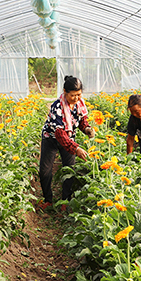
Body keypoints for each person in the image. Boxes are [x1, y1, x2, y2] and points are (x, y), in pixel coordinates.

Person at [38, 76, 95, 207]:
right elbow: (60, 134)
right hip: (51, 138)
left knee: (69, 170)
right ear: (65, 92)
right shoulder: (57, 106)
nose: (76, 98)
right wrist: (76, 148)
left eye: (79, 94)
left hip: (69, 139)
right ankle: (48, 200)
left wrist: (86, 129)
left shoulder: (80, 104)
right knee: (45, 170)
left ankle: (66, 201)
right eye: (73, 95)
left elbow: (81, 120)